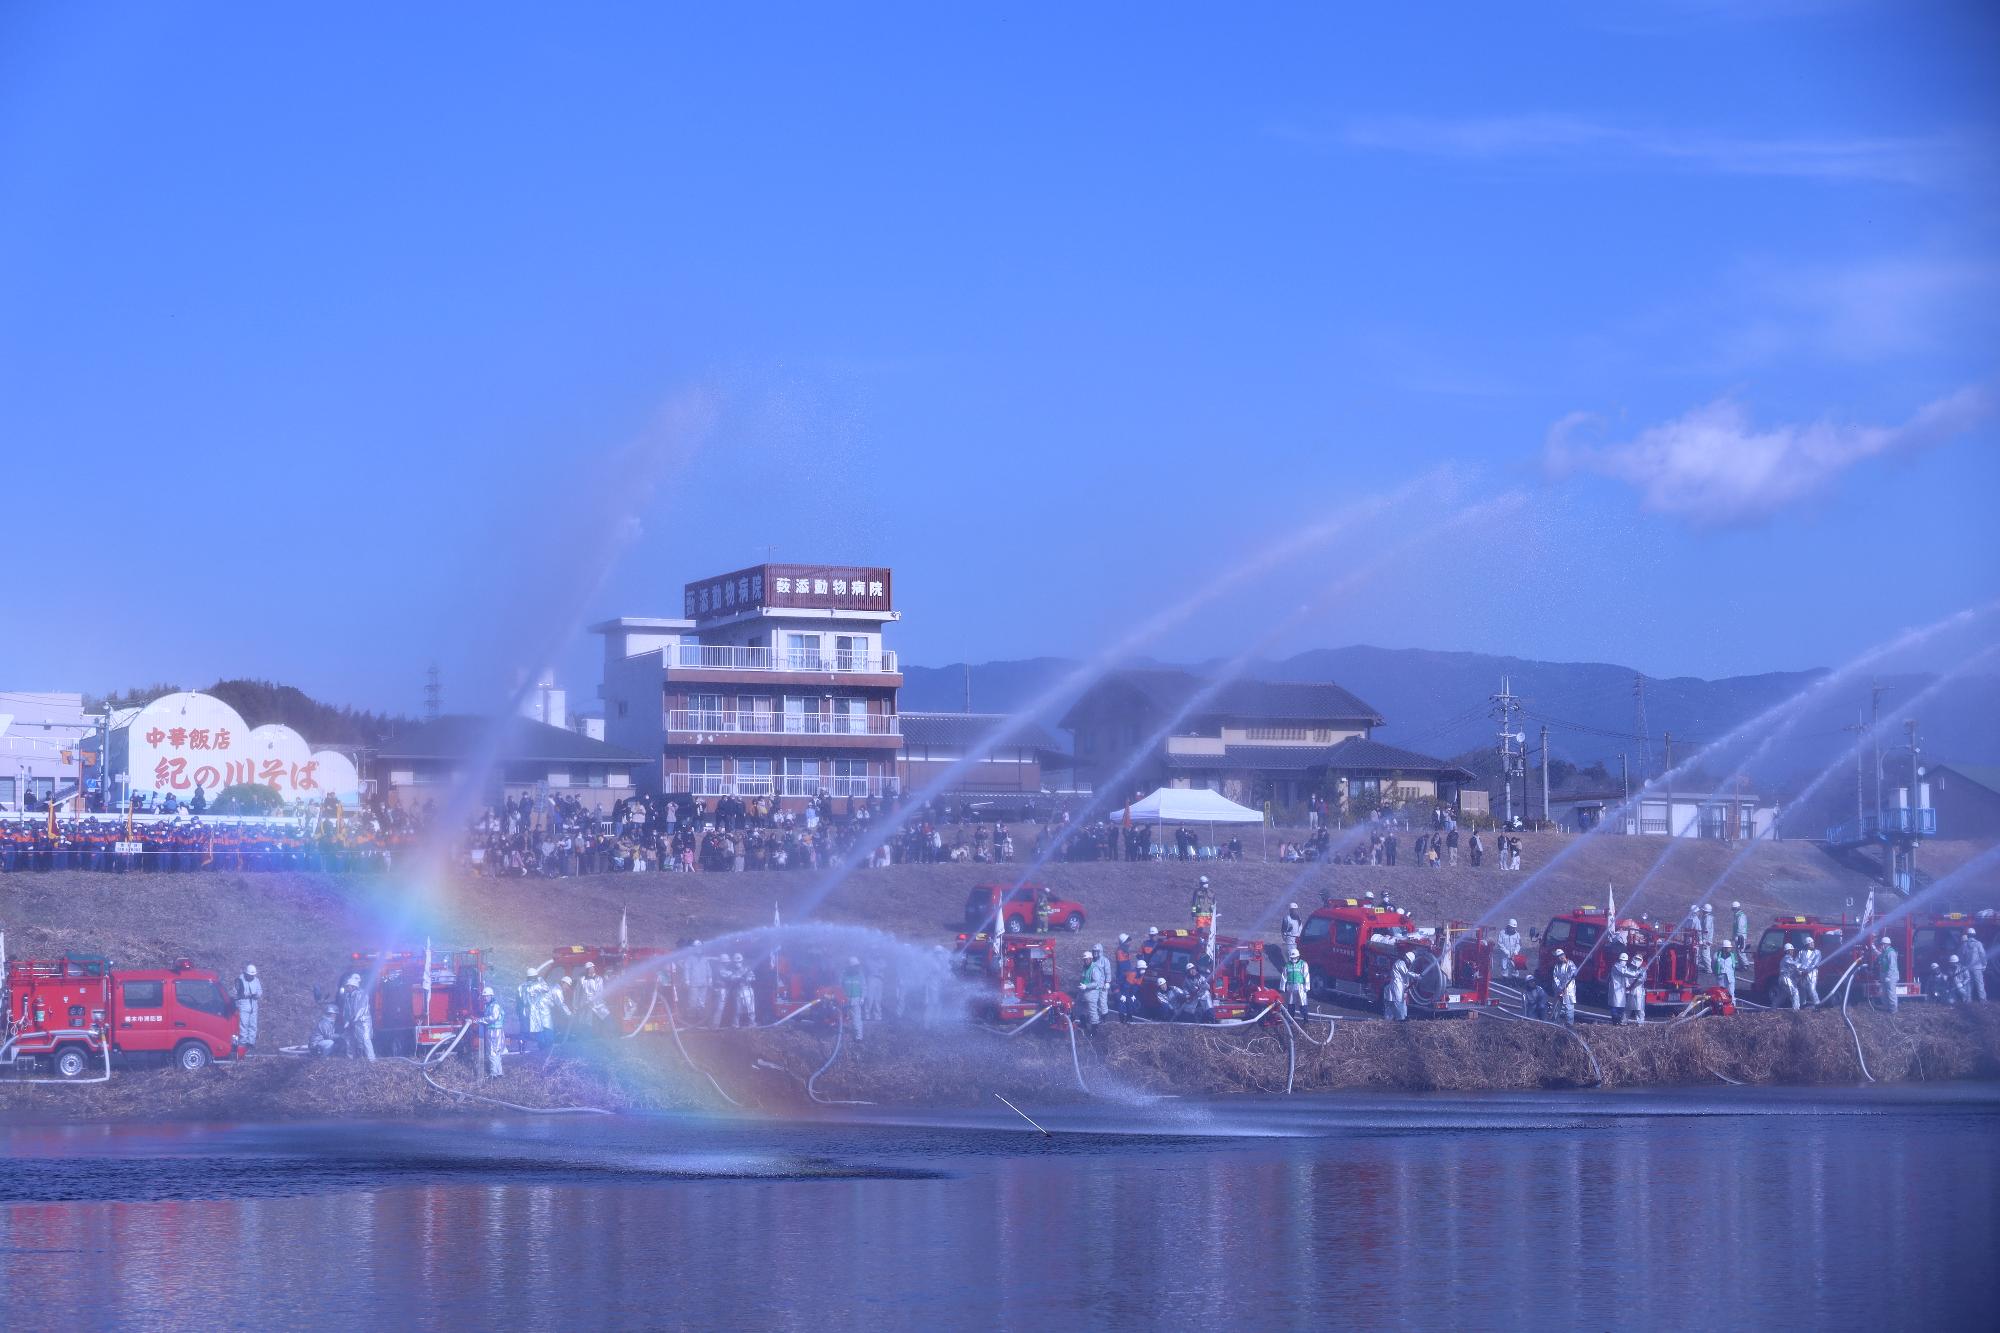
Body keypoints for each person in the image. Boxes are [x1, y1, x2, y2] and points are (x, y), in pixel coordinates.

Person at [338, 972, 374, 1061]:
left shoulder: (362, 995)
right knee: (349, 1039)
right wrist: (347, 1021)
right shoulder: (348, 997)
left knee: (365, 1039)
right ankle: (351, 1060)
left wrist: (353, 1020)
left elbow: (361, 1009)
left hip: (363, 1022)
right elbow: (346, 1011)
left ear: (353, 987)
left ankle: (372, 1060)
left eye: (348, 986)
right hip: (353, 1021)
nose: (346, 988)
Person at [232, 963, 262, 1056]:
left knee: (253, 1025)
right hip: (244, 1006)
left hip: (253, 1005)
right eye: (250, 975)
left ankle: (251, 1043)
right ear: (246, 974)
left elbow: (260, 991)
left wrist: (256, 995)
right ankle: (243, 1044)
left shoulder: (256, 980)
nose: (252, 977)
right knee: (243, 1026)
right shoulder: (240, 980)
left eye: (253, 975)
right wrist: (243, 995)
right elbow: (234, 994)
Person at [579, 961, 612, 1034]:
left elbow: (600, 991)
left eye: (593, 968)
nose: (592, 969)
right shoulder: (582, 979)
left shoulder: (599, 979)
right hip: (586, 1005)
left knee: (606, 1017)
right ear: (587, 970)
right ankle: (591, 1037)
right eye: (590, 968)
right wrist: (578, 1005)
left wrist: (593, 999)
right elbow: (578, 993)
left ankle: (611, 1034)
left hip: (598, 1004)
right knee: (588, 1022)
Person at [481, 985, 505, 1077]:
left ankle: (493, 1074)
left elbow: (493, 1018)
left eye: (487, 996)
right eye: (484, 996)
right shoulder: (489, 1006)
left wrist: (479, 1020)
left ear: (491, 996)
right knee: (496, 1052)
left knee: (492, 1052)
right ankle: (499, 1073)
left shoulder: (494, 1006)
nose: (485, 998)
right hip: (494, 1030)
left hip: (494, 1031)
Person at [1550, 949, 1579, 1026]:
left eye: (1561, 956)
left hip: (1569, 990)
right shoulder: (1557, 966)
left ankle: (1569, 1025)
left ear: (1564, 955)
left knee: (1569, 1008)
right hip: (1559, 990)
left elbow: (1572, 973)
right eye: (1558, 957)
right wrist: (1559, 987)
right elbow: (1555, 977)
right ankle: (1554, 1024)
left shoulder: (1570, 964)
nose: (1560, 958)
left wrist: (1564, 986)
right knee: (1556, 1007)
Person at [841, 956, 866, 1040]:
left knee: (856, 1020)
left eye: (857, 966)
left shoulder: (860, 975)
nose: (856, 967)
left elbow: (864, 987)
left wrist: (862, 997)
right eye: (854, 966)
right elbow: (840, 986)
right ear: (850, 966)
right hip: (845, 999)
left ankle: (859, 1037)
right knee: (843, 1017)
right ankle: (842, 1035)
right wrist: (840, 997)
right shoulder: (844, 974)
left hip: (856, 999)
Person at [1960, 930, 1989, 1003]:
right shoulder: (1978, 944)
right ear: (1975, 934)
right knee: (1980, 984)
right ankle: (1982, 1000)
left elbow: (1961, 958)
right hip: (1977, 968)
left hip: (1967, 968)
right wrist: (1984, 965)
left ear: (1968, 935)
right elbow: (1982, 955)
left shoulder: (1964, 945)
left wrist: (1964, 966)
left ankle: (1968, 1000)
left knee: (1969, 984)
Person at [1874, 935, 1900, 1013]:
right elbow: (1879, 956)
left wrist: (1889, 976)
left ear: (1886, 944)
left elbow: (1892, 966)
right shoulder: (1884, 952)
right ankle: (1886, 1007)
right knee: (1884, 992)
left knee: (1891, 993)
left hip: (1891, 976)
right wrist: (1874, 948)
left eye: (1882, 944)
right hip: (1884, 975)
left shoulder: (1891, 952)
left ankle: (1893, 1009)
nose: (1881, 946)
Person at [1384, 952, 1413, 1021]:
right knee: (1398, 1005)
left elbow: (1405, 980)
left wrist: (1406, 990)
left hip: (1395, 989)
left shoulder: (1402, 964)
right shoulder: (1400, 964)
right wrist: (1417, 976)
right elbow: (1406, 974)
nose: (1409, 962)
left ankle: (1387, 1021)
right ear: (1407, 959)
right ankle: (1400, 1021)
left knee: (1392, 1006)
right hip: (1396, 989)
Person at [1282, 948, 1310, 1020]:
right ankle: (1291, 1019)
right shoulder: (1287, 965)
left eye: (1295, 957)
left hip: (1300, 986)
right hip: (1290, 986)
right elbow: (1284, 976)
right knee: (1291, 1003)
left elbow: (1306, 975)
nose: (1294, 959)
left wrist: (1306, 986)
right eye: (1292, 957)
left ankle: (1305, 1019)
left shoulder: (1303, 964)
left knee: (1303, 1002)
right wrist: (1283, 987)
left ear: (1298, 956)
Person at [731, 953, 757, 1027]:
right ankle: (735, 1024)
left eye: (739, 962)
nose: (737, 964)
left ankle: (752, 1023)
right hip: (738, 990)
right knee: (737, 1009)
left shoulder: (747, 969)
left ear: (742, 962)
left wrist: (749, 978)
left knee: (750, 1008)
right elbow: (731, 978)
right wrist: (737, 978)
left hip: (747, 990)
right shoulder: (732, 971)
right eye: (735, 962)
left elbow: (753, 978)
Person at [1620, 953, 1646, 1024]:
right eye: (1636, 959)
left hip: (1639, 993)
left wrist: (1632, 985)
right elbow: (1625, 978)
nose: (1637, 961)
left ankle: (1640, 1024)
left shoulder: (1643, 970)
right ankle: (1623, 1022)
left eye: (1639, 959)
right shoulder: (1629, 969)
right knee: (1628, 1008)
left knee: (1639, 1009)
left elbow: (1641, 980)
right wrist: (1627, 985)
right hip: (1631, 992)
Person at [1778, 943, 1803, 1011]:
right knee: (1795, 992)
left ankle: (1773, 1008)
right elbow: (1795, 965)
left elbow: (1794, 969)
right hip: (1786, 979)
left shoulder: (1788, 959)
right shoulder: (1787, 958)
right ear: (1787, 951)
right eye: (1791, 950)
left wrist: (1799, 973)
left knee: (1783, 995)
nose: (1792, 951)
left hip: (1785, 979)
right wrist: (1804, 966)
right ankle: (1796, 1010)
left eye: (1792, 950)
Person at [1714, 939, 1739, 1005]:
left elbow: (1735, 965)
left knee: (1731, 992)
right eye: (1728, 948)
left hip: (1730, 977)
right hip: (1721, 977)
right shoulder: (1716, 955)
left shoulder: (1732, 955)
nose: (1730, 949)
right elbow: (1714, 965)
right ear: (1724, 948)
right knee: (1721, 993)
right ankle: (1721, 1006)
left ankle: (1733, 1005)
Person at [1608, 952, 1631, 1024]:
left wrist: (1627, 984)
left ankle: (1619, 1020)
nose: (1624, 962)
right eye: (1623, 961)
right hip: (1615, 989)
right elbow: (1625, 973)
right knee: (1615, 1006)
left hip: (1622, 990)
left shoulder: (1624, 968)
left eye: (1625, 961)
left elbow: (1626, 977)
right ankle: (1615, 1021)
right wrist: (1636, 974)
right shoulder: (1616, 967)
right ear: (1620, 960)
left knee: (1621, 1006)